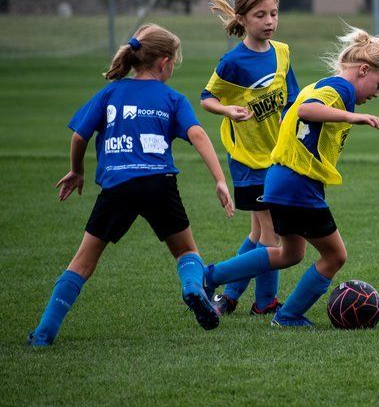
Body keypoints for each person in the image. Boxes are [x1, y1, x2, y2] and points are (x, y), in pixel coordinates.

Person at [27, 24, 234, 347]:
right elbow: (198, 135)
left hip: (118, 186)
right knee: (186, 252)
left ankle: (44, 332)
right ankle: (193, 288)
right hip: (159, 184)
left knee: (82, 262)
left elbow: (79, 136)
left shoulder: (111, 93)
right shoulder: (172, 98)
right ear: (164, 62)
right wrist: (220, 180)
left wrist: (77, 170)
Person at [201, 25, 379, 327]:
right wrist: (351, 116)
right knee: (335, 256)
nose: (376, 94)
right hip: (296, 183)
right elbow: (306, 110)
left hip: (284, 179)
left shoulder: (328, 84)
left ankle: (211, 275)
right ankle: (288, 316)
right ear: (363, 69)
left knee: (288, 253)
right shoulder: (341, 89)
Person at [202, 0, 300, 316]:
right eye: (261, 15)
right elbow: (207, 99)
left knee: (259, 232)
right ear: (243, 18)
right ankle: (264, 302)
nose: (270, 21)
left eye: (274, 13)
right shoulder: (234, 62)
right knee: (273, 237)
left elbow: (292, 101)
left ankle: (228, 296)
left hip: (276, 156)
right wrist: (227, 109)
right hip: (248, 159)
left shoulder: (283, 52)